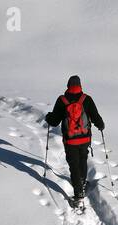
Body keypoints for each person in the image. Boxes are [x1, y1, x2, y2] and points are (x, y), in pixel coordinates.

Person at [45, 75, 105, 205]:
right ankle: (82, 183)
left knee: (74, 164)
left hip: (70, 140)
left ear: (68, 86)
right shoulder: (86, 99)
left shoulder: (62, 100)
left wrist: (48, 117)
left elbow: (54, 121)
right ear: (80, 86)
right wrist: (101, 125)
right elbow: (95, 117)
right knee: (82, 160)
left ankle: (78, 195)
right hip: (85, 138)